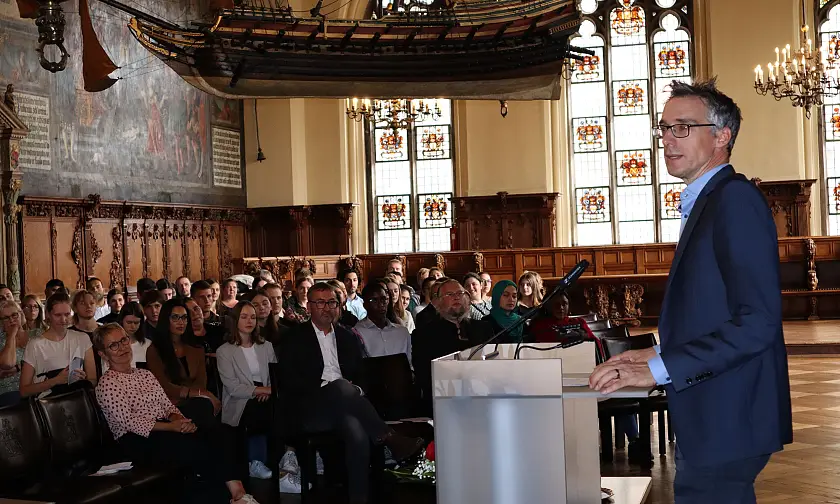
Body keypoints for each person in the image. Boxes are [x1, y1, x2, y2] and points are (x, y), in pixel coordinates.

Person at [589, 79, 792, 504]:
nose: (667, 139)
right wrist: (655, 353)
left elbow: (757, 322)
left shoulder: (733, 199)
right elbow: (712, 312)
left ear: (722, 135)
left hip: (728, 413)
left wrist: (661, 370)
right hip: (716, 409)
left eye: (682, 127)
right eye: (663, 128)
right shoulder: (708, 200)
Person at [276, 282, 424, 504]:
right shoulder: (293, 339)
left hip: (346, 406)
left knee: (356, 429)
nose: (327, 308)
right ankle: (390, 437)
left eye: (332, 303)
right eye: (320, 303)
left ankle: (359, 498)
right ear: (309, 307)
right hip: (309, 408)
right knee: (339, 386)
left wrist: (354, 389)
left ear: (339, 306)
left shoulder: (348, 336)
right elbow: (290, 381)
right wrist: (336, 389)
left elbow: (362, 374)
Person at [93, 323, 259, 504]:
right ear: (103, 354)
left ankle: (239, 493)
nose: (122, 347)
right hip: (136, 439)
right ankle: (236, 496)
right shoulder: (107, 384)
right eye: (114, 345)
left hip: (165, 427)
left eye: (124, 340)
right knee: (196, 445)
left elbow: (167, 405)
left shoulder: (144, 375)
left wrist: (179, 420)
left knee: (221, 433)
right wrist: (171, 427)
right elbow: (129, 422)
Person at [216, 302, 277, 481]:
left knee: (284, 407)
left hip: (269, 393)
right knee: (257, 409)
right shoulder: (225, 351)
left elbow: (275, 375)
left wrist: (268, 390)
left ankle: (287, 457)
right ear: (235, 320)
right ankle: (255, 461)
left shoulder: (266, 346)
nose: (249, 321)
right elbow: (233, 388)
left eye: (252, 317)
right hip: (240, 400)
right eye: (244, 317)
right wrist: (261, 390)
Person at [413, 279, 493, 415]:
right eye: (449, 294)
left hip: (483, 400)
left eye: (460, 293)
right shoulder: (424, 334)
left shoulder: (483, 328)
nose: (456, 297)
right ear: (437, 302)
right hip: (443, 403)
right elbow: (424, 376)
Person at [146, 298, 222, 429]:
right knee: (203, 409)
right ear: (166, 319)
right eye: (175, 317)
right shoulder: (154, 350)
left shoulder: (196, 348)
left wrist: (200, 394)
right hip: (168, 404)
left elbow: (201, 382)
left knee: (204, 407)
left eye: (184, 318)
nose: (181, 322)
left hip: (195, 401)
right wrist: (198, 394)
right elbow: (163, 386)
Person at [19, 292, 97, 398]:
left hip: (77, 400)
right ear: (48, 314)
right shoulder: (35, 345)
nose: (63, 320)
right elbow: (24, 390)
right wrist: (55, 381)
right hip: (49, 404)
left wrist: (83, 380)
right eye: (58, 315)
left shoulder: (82, 338)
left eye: (67, 314)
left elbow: (93, 380)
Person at [355, 283, 411, 361]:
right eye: (374, 300)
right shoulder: (358, 332)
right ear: (365, 305)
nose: (381, 304)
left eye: (384, 299)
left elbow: (409, 364)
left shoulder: (402, 332)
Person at [0, 300, 28, 406]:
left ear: (21, 315)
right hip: (9, 391)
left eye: (14, 315)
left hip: (35, 386)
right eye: (6, 318)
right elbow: (7, 364)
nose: (11, 320)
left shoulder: (35, 335)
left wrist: (19, 368)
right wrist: (11, 335)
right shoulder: (1, 339)